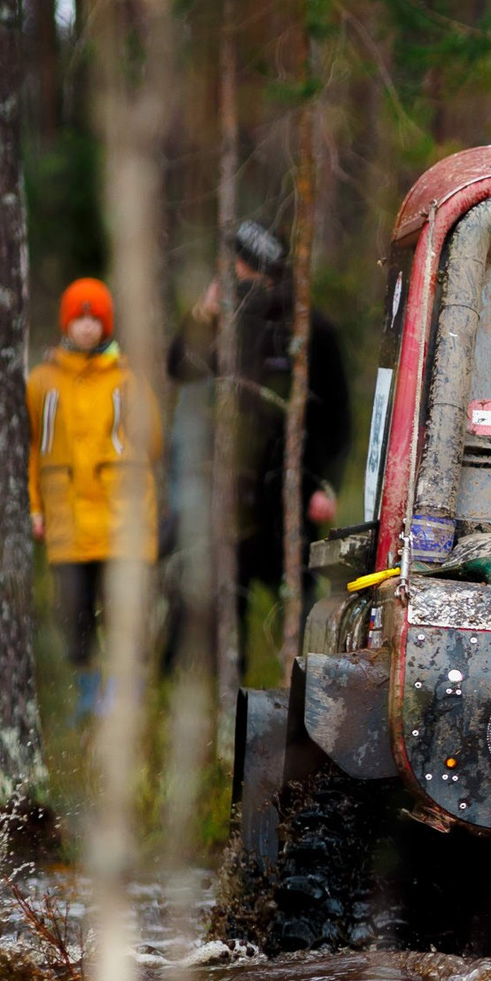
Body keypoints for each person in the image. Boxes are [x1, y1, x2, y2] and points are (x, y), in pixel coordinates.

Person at [171, 220, 352, 661]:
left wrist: (326, 486)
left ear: (253, 267)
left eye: (235, 263)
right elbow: (180, 367)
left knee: (302, 598)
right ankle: (223, 689)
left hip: (293, 492)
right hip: (234, 492)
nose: (228, 272)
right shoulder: (229, 323)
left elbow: (338, 418)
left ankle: (304, 681)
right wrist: (203, 315)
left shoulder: (312, 330)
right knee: (221, 593)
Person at [28, 277, 159, 721]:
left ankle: (127, 697)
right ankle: (88, 698)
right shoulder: (43, 381)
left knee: (125, 614)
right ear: (67, 322)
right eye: (79, 318)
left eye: (94, 319)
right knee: (73, 614)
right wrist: (35, 507)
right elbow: (32, 450)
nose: (86, 328)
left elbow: (152, 441)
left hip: (120, 520)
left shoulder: (127, 380)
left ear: (106, 325)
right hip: (66, 521)